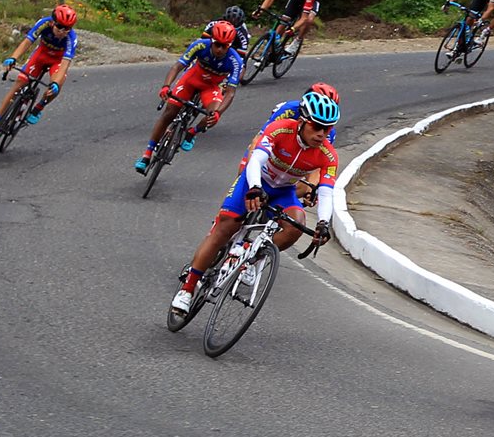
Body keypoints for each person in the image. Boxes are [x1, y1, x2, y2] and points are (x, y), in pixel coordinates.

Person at [169, 90, 341, 317]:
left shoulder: (328, 155)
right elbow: (256, 159)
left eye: (327, 129)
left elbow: (327, 192)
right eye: (317, 127)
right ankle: (188, 288)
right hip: (257, 179)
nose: (322, 134)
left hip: (283, 190)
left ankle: (251, 254)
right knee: (226, 226)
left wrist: (323, 223)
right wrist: (254, 187)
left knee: (296, 225)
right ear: (302, 121)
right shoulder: (280, 128)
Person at [134, 21, 243, 174]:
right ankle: (146, 155)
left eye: (224, 46)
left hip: (211, 87)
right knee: (169, 112)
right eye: (217, 44)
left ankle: (192, 132)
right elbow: (177, 66)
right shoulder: (200, 45)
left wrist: (218, 113)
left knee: (212, 116)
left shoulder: (235, 61)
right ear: (212, 41)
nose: (219, 49)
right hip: (191, 80)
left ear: (230, 46)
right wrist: (166, 86)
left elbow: (230, 92)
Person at [0, 5, 79, 141]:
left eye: (67, 28)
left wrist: (56, 83)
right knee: (20, 83)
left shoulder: (71, 38)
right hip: (41, 54)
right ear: (52, 22)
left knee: (56, 85)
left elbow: (64, 64)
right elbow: (27, 42)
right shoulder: (43, 24)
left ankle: (39, 108)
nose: (63, 31)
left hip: (58, 61)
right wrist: (13, 58)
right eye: (59, 27)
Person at [245, 82, 341, 205]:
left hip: (290, 169)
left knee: (304, 187)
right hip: (270, 149)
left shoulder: (328, 132)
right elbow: (259, 140)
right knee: (247, 172)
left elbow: (316, 167)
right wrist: (251, 181)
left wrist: (311, 189)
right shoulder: (289, 110)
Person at [252, 0, 321, 55]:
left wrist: (293, 29)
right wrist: (261, 10)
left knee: (309, 20)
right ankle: (271, 49)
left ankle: (297, 41)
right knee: (284, 19)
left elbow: (304, 18)